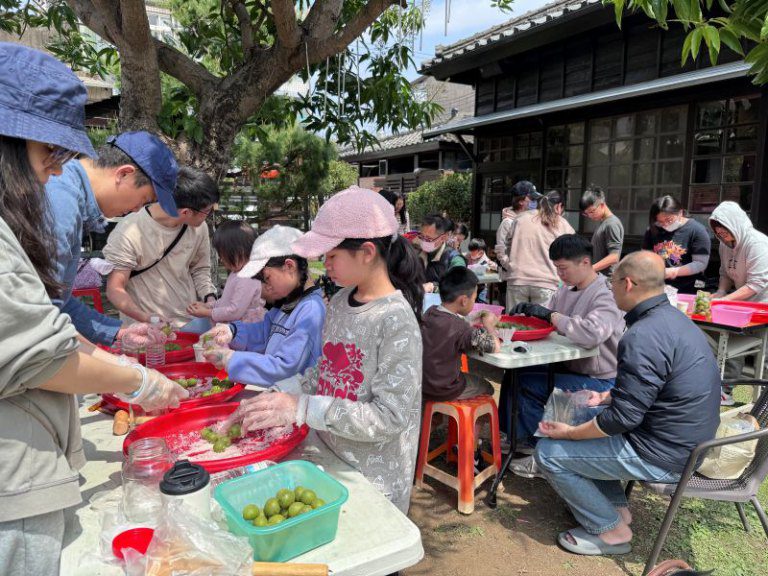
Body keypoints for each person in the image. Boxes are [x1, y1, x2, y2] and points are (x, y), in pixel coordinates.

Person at [0, 43, 187, 575]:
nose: (50, 175)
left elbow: (44, 314)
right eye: (46, 158)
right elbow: (40, 346)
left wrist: (112, 340)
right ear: (125, 175)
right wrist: (138, 380)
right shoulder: (60, 204)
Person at [227, 186, 424, 513]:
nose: (324, 265)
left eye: (331, 256)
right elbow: (324, 372)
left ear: (367, 252)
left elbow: (389, 417)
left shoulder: (395, 321)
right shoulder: (340, 302)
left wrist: (302, 407)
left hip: (373, 480)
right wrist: (278, 394)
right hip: (329, 458)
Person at [534, 251, 721, 557]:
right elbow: (653, 386)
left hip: (665, 456)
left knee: (549, 452)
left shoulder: (642, 335)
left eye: (613, 282)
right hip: (686, 444)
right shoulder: (673, 319)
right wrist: (605, 396)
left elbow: (621, 420)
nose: (610, 289)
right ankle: (616, 510)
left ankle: (610, 530)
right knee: (586, 415)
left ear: (629, 283)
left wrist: (569, 433)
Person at [45, 130, 179, 347]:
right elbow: (41, 313)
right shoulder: (62, 202)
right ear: (124, 174)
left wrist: (119, 333)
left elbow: (59, 302)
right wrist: (114, 364)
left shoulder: (70, 193)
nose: (137, 209)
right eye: (145, 199)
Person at [506, 235, 624, 478]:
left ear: (585, 262)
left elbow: (592, 333)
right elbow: (550, 317)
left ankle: (543, 453)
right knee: (515, 374)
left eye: (563, 268)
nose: (560, 274)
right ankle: (515, 437)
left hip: (599, 379)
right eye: (557, 268)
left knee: (526, 383)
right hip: (569, 368)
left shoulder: (605, 294)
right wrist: (530, 313)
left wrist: (550, 316)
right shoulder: (565, 290)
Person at [201, 226, 326, 387]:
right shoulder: (288, 303)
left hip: (294, 395)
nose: (265, 286)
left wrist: (230, 359)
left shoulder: (310, 310)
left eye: (267, 277)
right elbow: (265, 331)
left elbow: (286, 367)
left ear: (289, 266)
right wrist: (232, 331)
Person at [103, 167, 220, 331]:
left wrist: (209, 297)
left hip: (192, 322)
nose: (209, 215)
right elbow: (115, 289)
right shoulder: (129, 231)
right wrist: (146, 318)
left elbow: (200, 269)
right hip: (147, 328)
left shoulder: (199, 228)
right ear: (185, 212)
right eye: (207, 211)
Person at [708, 201, 768, 405]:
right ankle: (726, 391)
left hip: (764, 303)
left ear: (736, 224)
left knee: (764, 355)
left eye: (725, 232)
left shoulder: (757, 243)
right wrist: (721, 291)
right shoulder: (724, 246)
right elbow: (725, 273)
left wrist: (725, 299)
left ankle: (763, 400)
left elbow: (757, 283)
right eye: (718, 233)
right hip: (743, 305)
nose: (722, 237)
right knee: (733, 347)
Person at [421, 267, 500, 402]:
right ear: (464, 300)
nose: (474, 302)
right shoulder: (460, 327)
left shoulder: (430, 312)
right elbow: (495, 347)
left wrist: (472, 321)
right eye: (474, 298)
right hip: (446, 389)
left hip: (423, 384)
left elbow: (449, 327)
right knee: (487, 387)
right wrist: (489, 325)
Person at [505, 190, 575, 309]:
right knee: (542, 320)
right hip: (547, 282)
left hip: (517, 279)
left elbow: (508, 246)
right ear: (559, 206)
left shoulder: (521, 218)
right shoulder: (562, 224)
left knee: (514, 320)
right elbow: (573, 252)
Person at [187, 220, 266, 324]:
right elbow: (227, 300)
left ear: (239, 252)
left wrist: (207, 312)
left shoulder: (248, 278)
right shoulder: (237, 273)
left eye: (222, 254)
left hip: (242, 330)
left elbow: (235, 311)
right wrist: (208, 305)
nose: (221, 259)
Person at [642, 195, 710, 293]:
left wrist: (673, 272)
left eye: (669, 220)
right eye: (660, 221)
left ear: (680, 213)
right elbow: (645, 258)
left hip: (691, 287)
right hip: (660, 286)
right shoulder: (653, 230)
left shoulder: (697, 230)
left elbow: (700, 264)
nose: (665, 225)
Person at [495, 181, 537, 295]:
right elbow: (501, 251)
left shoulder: (532, 220)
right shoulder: (507, 223)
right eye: (532, 198)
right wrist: (513, 268)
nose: (535, 201)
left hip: (529, 278)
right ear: (521, 201)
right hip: (511, 279)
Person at [580, 185, 624, 277]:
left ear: (602, 205)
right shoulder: (603, 222)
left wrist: (590, 269)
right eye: (587, 214)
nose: (590, 216)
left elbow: (614, 257)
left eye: (592, 211)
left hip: (606, 280)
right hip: (598, 277)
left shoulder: (612, 224)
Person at [418, 213, 466, 294]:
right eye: (422, 237)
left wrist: (434, 287)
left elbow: (458, 286)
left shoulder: (455, 259)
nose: (424, 241)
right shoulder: (417, 254)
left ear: (443, 238)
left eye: (429, 239)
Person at [466, 238, 497, 303]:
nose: (471, 254)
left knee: (481, 303)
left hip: (481, 287)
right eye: (470, 252)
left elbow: (494, 268)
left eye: (473, 253)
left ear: (481, 253)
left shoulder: (485, 260)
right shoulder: (467, 256)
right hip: (469, 286)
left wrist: (493, 267)